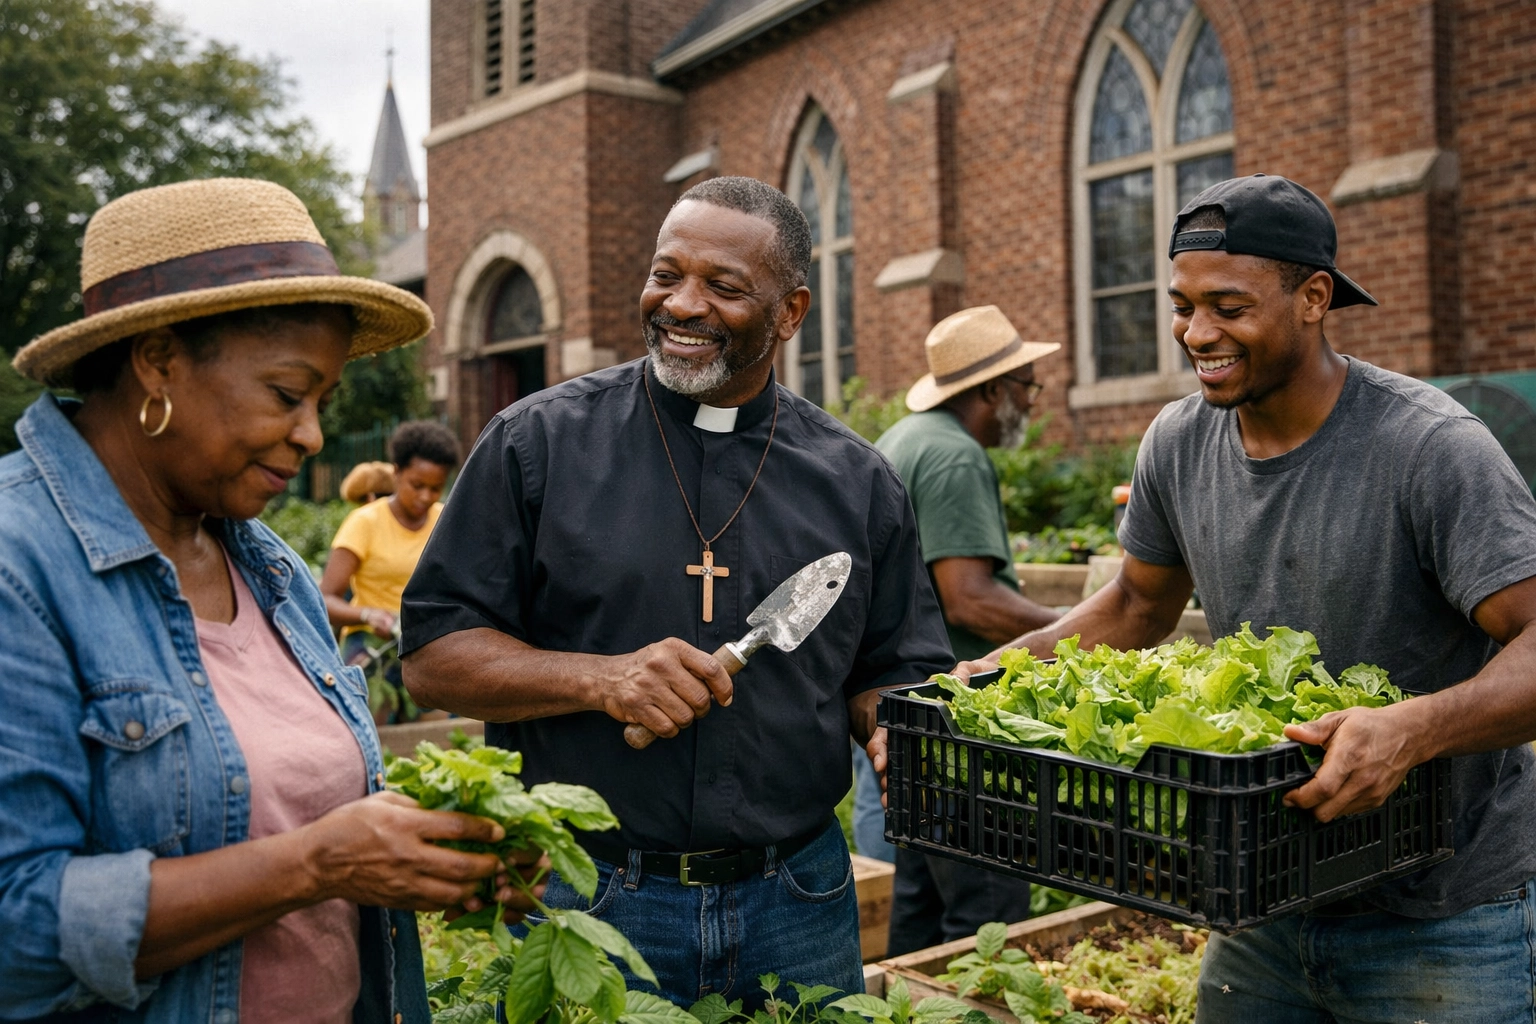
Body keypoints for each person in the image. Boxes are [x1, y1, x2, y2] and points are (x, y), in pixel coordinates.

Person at [919, 174, 1536, 1022]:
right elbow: (1136, 604)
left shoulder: (1429, 449)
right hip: (1262, 894)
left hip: (1444, 911)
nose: (1196, 334)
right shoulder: (1178, 440)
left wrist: (1412, 730)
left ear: (1314, 297)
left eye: (1229, 307)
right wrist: (999, 674)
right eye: (1182, 305)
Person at [401, 176, 953, 1006]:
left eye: (724, 287)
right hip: (591, 898)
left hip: (798, 900)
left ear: (791, 312)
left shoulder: (858, 483)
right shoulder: (537, 445)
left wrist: (903, 727)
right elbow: (434, 657)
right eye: (667, 275)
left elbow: (891, 670)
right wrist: (600, 678)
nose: (682, 305)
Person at [0, 178, 539, 1024]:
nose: (313, 435)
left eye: (322, 403)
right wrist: (315, 864)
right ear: (159, 359)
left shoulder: (268, 568)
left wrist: (432, 849)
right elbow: (16, 933)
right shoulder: (18, 567)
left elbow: (302, 808)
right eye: (288, 395)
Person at [873, 305, 1061, 954]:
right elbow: (970, 602)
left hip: (911, 717)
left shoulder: (904, 439)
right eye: (1027, 387)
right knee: (986, 923)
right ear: (990, 391)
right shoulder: (954, 457)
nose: (1031, 403)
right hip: (966, 724)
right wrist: (1075, 629)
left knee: (921, 914)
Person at [322, 421, 460, 724]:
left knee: (441, 730)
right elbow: (325, 599)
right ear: (396, 473)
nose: (425, 497)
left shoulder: (446, 522)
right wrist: (369, 615)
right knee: (370, 715)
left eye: (435, 488)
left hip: (427, 643)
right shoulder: (365, 522)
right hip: (373, 643)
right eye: (417, 485)